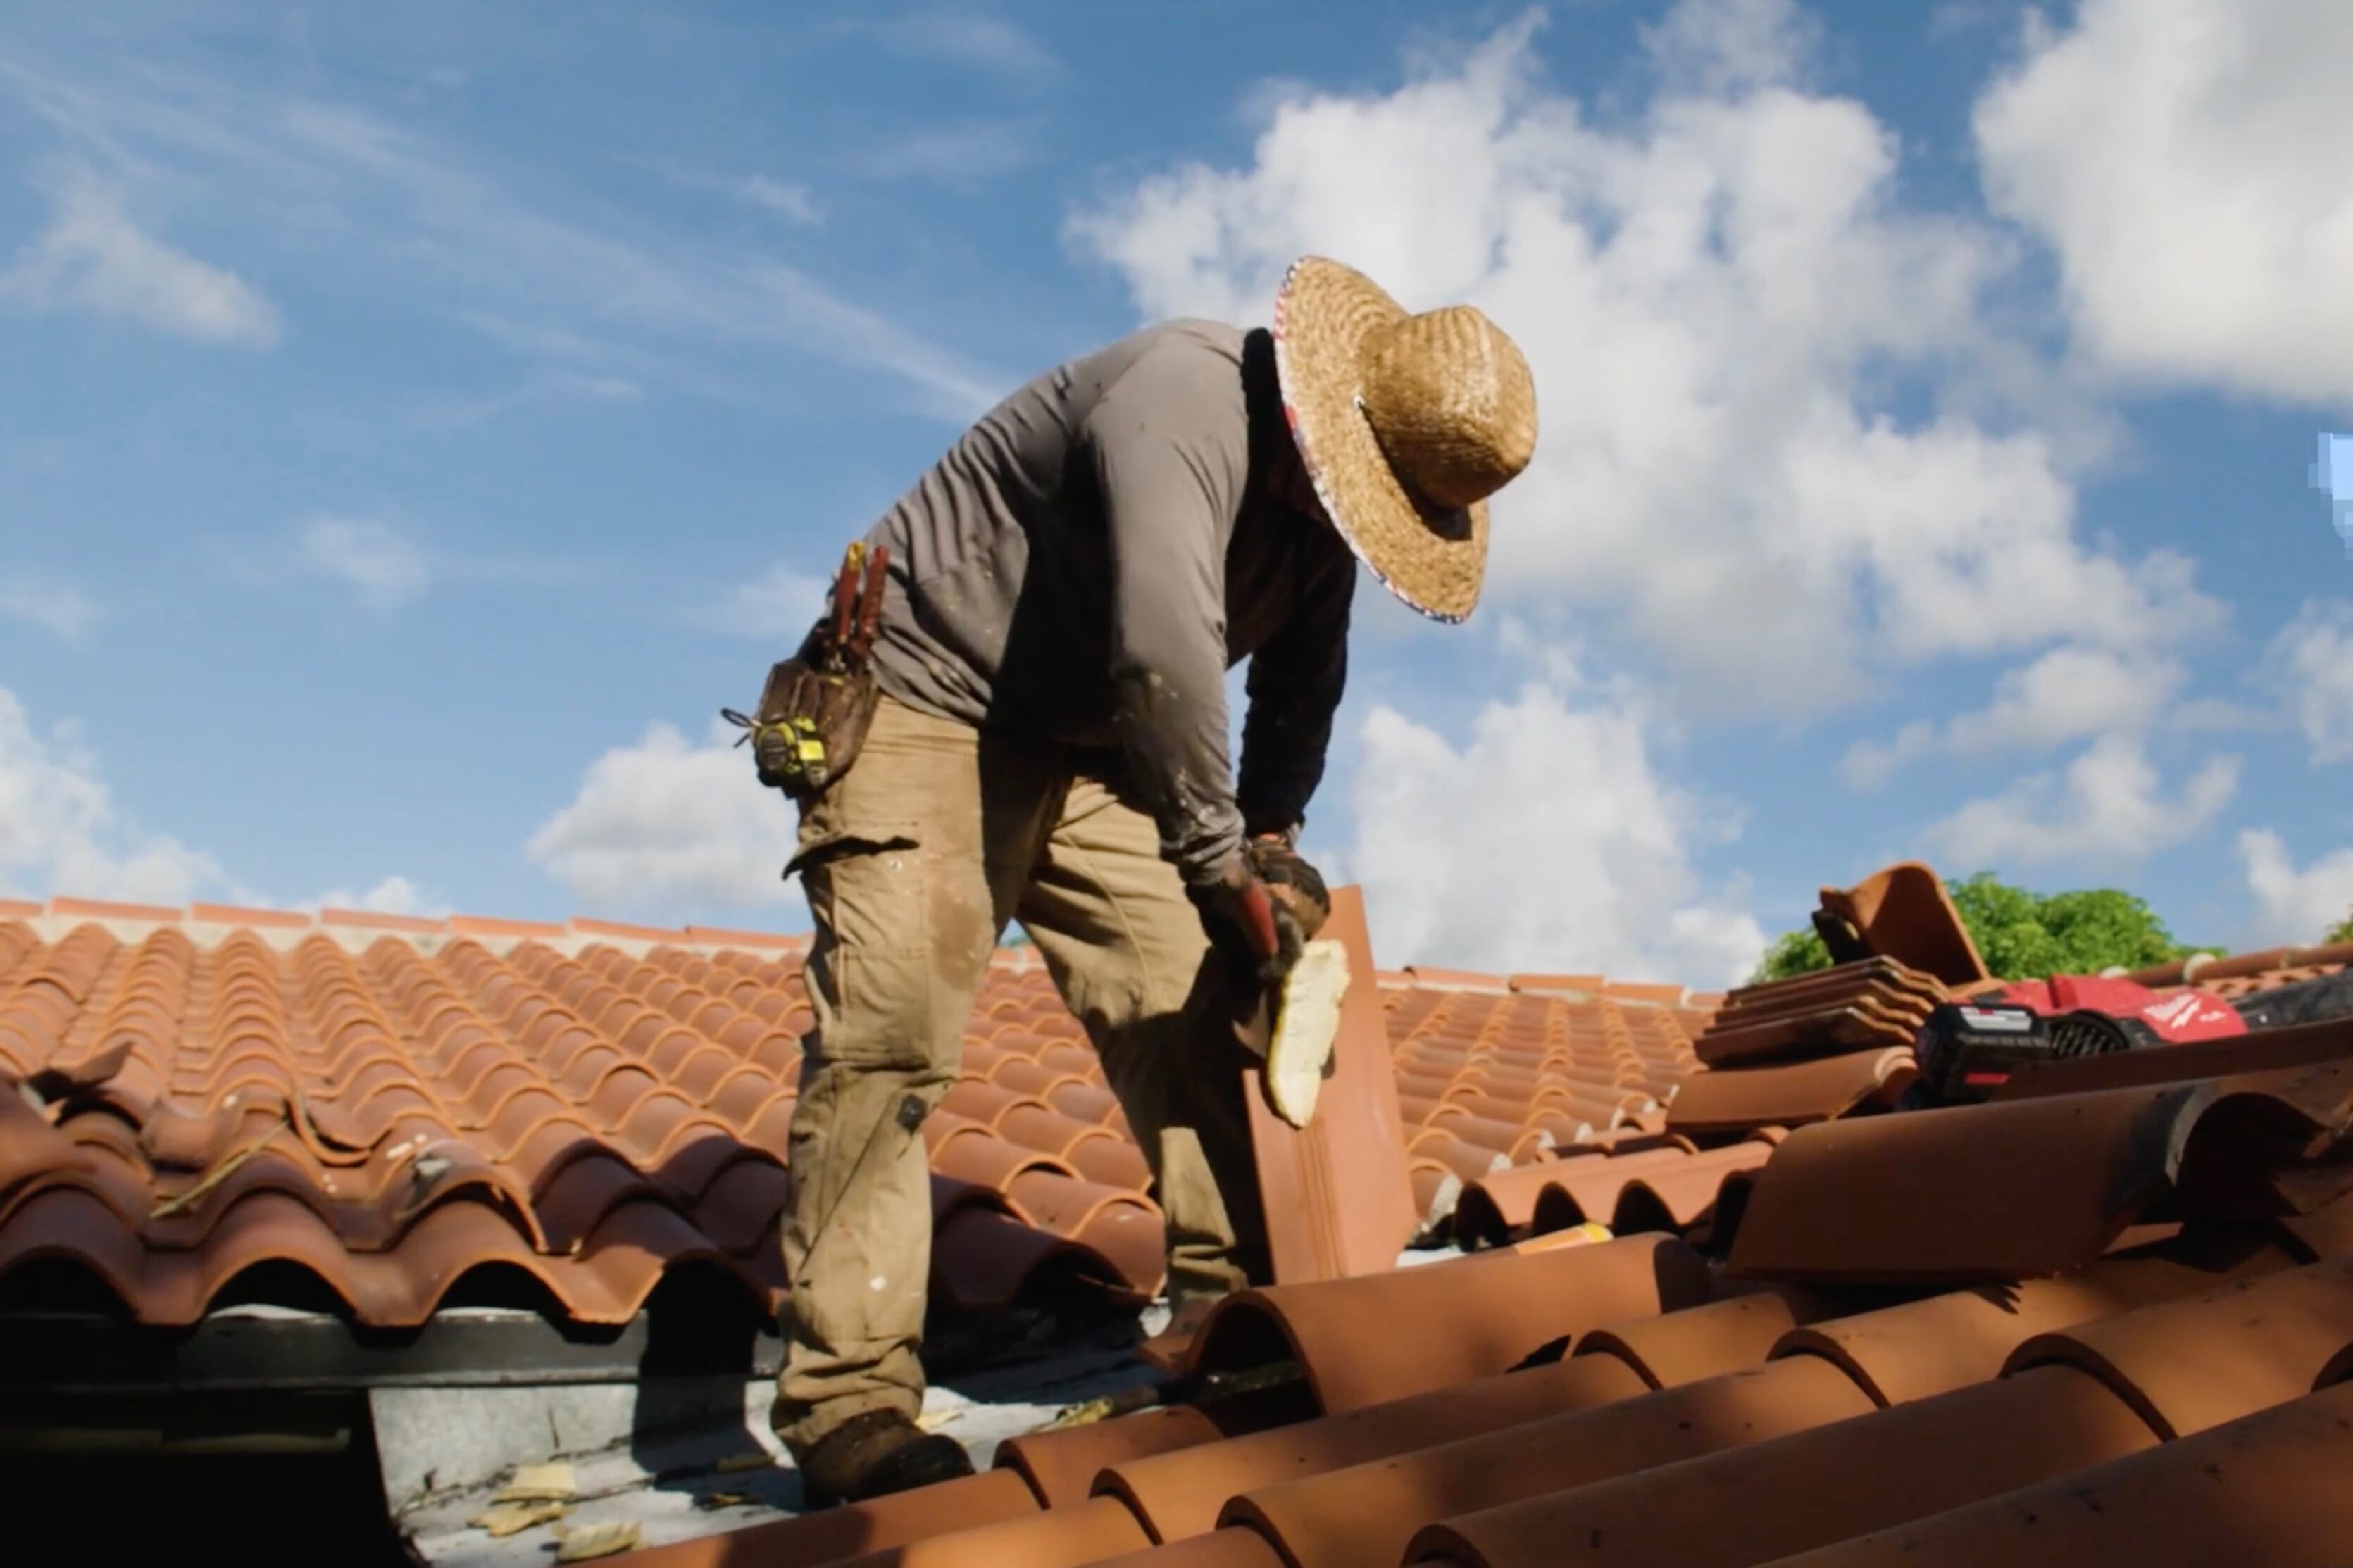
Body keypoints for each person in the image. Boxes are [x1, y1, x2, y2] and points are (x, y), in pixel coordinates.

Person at [769, 255, 1538, 1505]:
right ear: (1329, 419)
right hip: (929, 697)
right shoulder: (1182, 404)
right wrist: (1217, 858)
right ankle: (847, 1404)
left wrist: (1272, 851)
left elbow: (1300, 693)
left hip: (1091, 751)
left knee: (1201, 1006)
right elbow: (1162, 655)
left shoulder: (1321, 527)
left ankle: (1235, 1332)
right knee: (892, 1033)